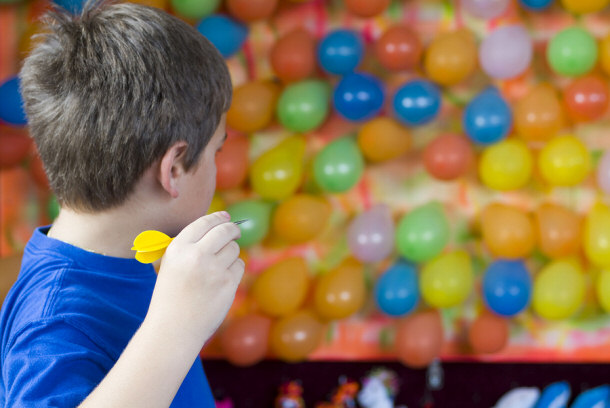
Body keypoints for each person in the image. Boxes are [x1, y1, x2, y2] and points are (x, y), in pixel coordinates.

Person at [0, 1, 244, 406]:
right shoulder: (52, 320)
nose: (216, 167)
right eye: (215, 153)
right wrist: (176, 327)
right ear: (173, 170)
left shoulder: (128, 254)